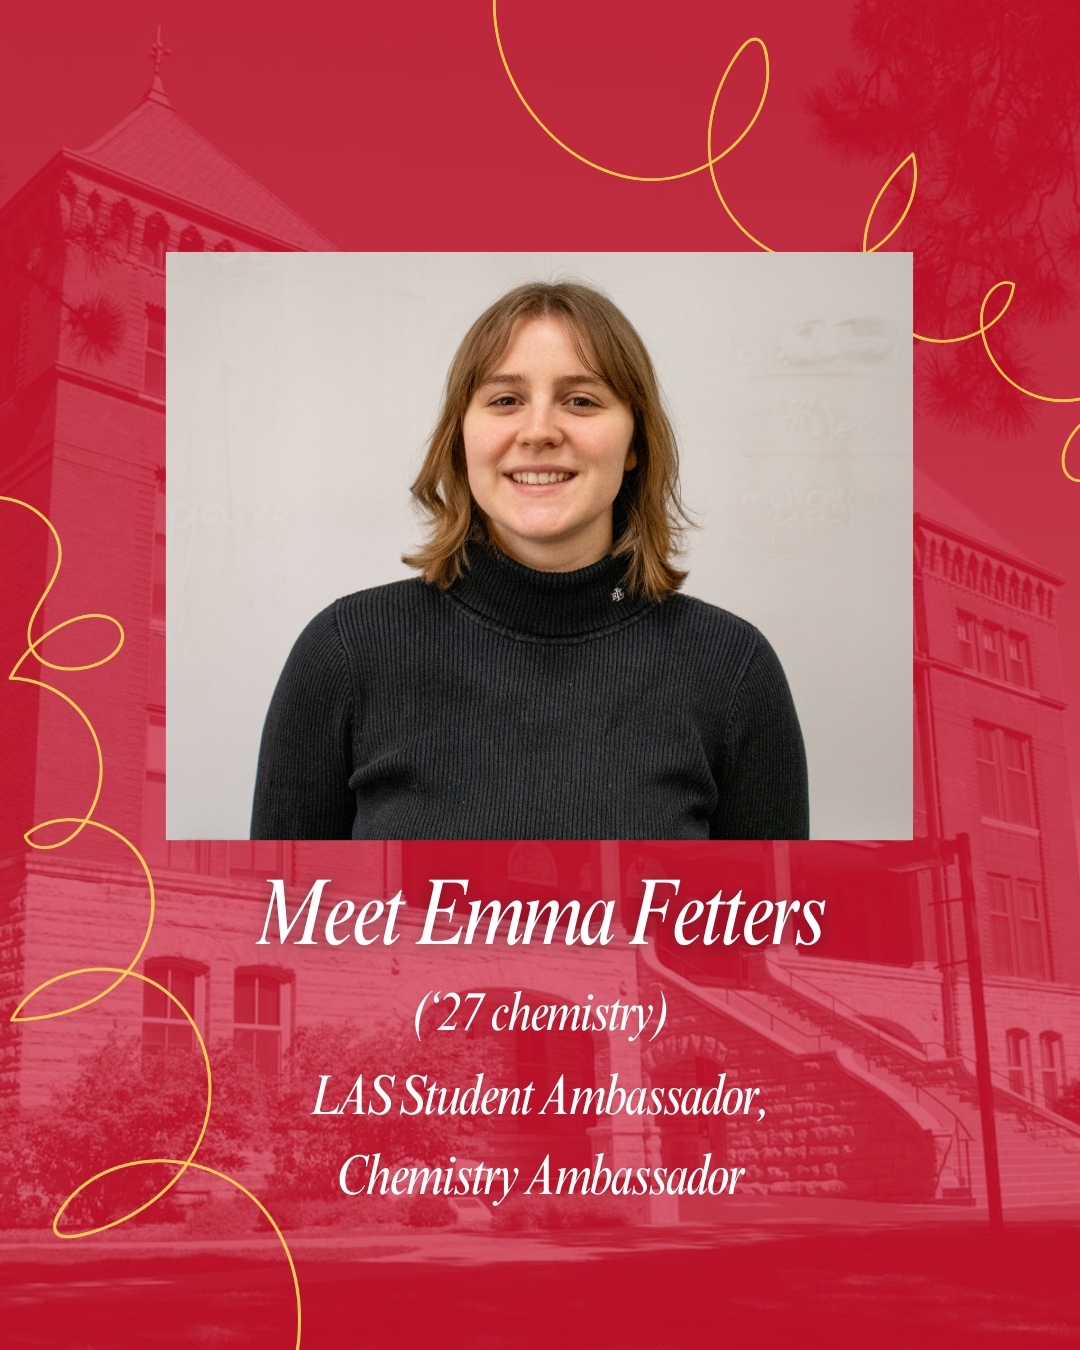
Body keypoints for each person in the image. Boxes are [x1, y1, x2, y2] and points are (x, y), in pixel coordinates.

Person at [251, 281, 808, 840]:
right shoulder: (345, 653)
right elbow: (274, 920)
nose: (539, 432)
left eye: (582, 401)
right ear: (461, 438)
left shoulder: (733, 670)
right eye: (505, 400)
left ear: (635, 442)